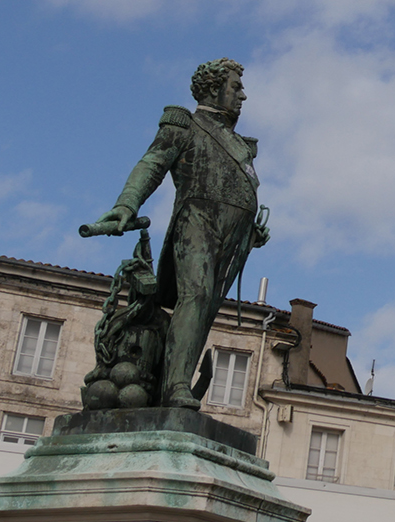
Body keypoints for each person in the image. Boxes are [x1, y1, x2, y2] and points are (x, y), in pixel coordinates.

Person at [91, 58, 269, 409]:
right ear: (212, 89)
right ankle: (175, 387)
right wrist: (128, 203)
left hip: (235, 237)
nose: (243, 95)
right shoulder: (184, 124)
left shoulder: (240, 145)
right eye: (236, 87)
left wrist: (251, 228)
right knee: (196, 297)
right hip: (197, 220)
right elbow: (153, 163)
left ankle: (176, 383)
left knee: (205, 309)